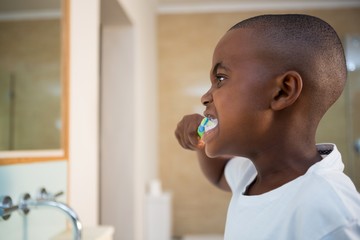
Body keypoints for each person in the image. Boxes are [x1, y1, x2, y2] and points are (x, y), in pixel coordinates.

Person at [175, 14, 360, 239]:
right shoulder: (253, 173)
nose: (205, 97)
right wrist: (200, 137)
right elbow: (220, 173)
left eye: (221, 79)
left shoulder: (332, 215)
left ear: (283, 91)